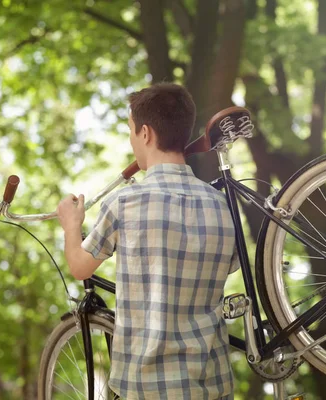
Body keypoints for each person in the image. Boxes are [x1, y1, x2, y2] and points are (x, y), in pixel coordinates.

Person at [57, 83, 237, 399]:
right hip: (213, 383)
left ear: (145, 134)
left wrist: (72, 226)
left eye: (131, 132)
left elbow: (79, 267)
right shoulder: (221, 205)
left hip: (148, 385)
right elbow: (231, 266)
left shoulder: (125, 203)